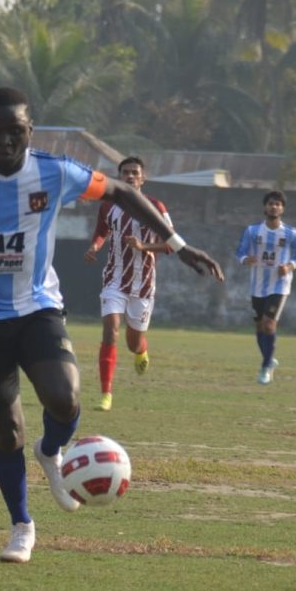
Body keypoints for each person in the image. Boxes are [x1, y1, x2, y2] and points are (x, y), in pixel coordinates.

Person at [0, 87, 224, 563]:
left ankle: (52, 449)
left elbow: (121, 190)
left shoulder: (54, 171)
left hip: (37, 306)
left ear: (30, 131)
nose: (4, 141)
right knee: (5, 433)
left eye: (14, 131)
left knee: (65, 398)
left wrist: (178, 245)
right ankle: (21, 525)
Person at [84, 156, 173, 412]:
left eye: (135, 172)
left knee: (133, 341)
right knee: (110, 328)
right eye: (126, 172)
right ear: (119, 177)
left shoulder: (156, 206)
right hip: (114, 280)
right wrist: (94, 246)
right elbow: (102, 231)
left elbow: (172, 244)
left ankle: (141, 351)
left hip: (143, 285)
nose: (130, 176)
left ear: (143, 178)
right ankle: (106, 393)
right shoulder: (108, 206)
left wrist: (145, 246)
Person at [236, 190, 296, 385]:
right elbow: (240, 251)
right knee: (260, 325)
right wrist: (245, 259)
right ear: (264, 207)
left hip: (279, 285)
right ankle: (268, 358)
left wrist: (290, 265)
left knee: (269, 323)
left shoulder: (291, 233)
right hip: (257, 285)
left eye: (277, 204)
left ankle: (266, 366)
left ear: (282, 208)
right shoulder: (252, 231)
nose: (274, 207)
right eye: (270, 203)